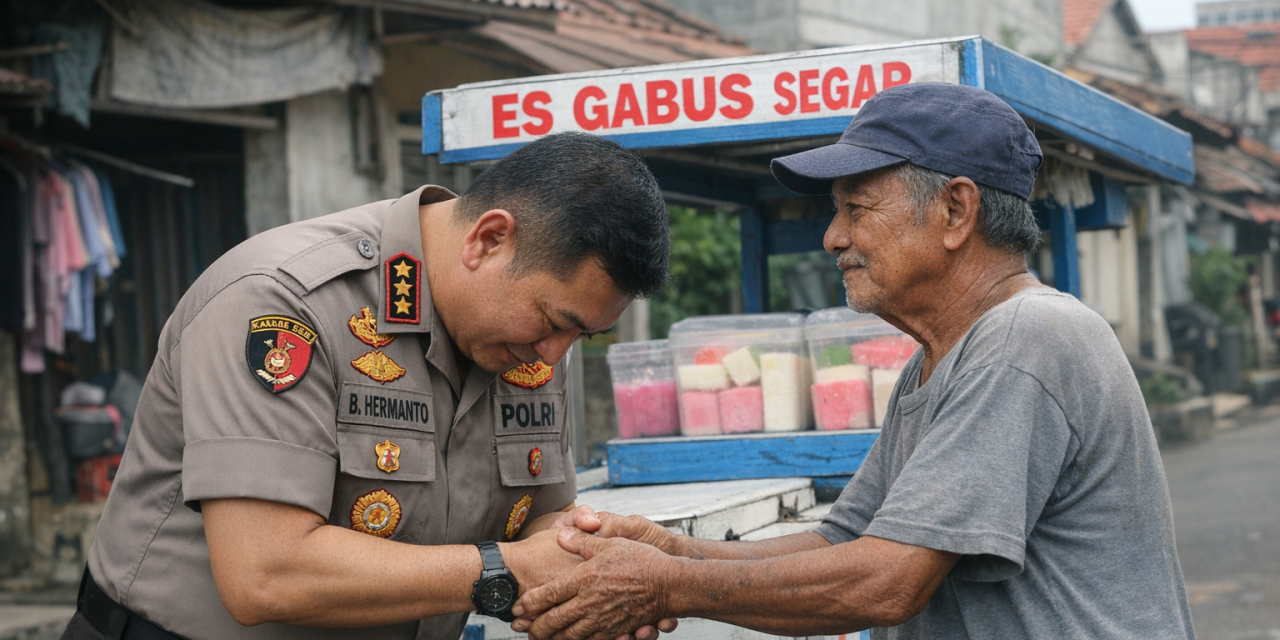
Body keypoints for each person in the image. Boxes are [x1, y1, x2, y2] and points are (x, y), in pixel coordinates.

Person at [510, 83, 1197, 640]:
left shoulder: (1026, 339)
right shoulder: (937, 360)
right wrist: (669, 552)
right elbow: (843, 542)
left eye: (857, 208)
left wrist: (662, 586)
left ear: (957, 211)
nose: (833, 236)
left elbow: (885, 579)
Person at [63, 132, 673, 640]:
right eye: (555, 322)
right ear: (489, 239)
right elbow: (265, 575)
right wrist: (507, 569)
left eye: (582, 336)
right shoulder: (282, 302)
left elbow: (540, 517)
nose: (554, 353)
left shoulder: (526, 341)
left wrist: (592, 572)